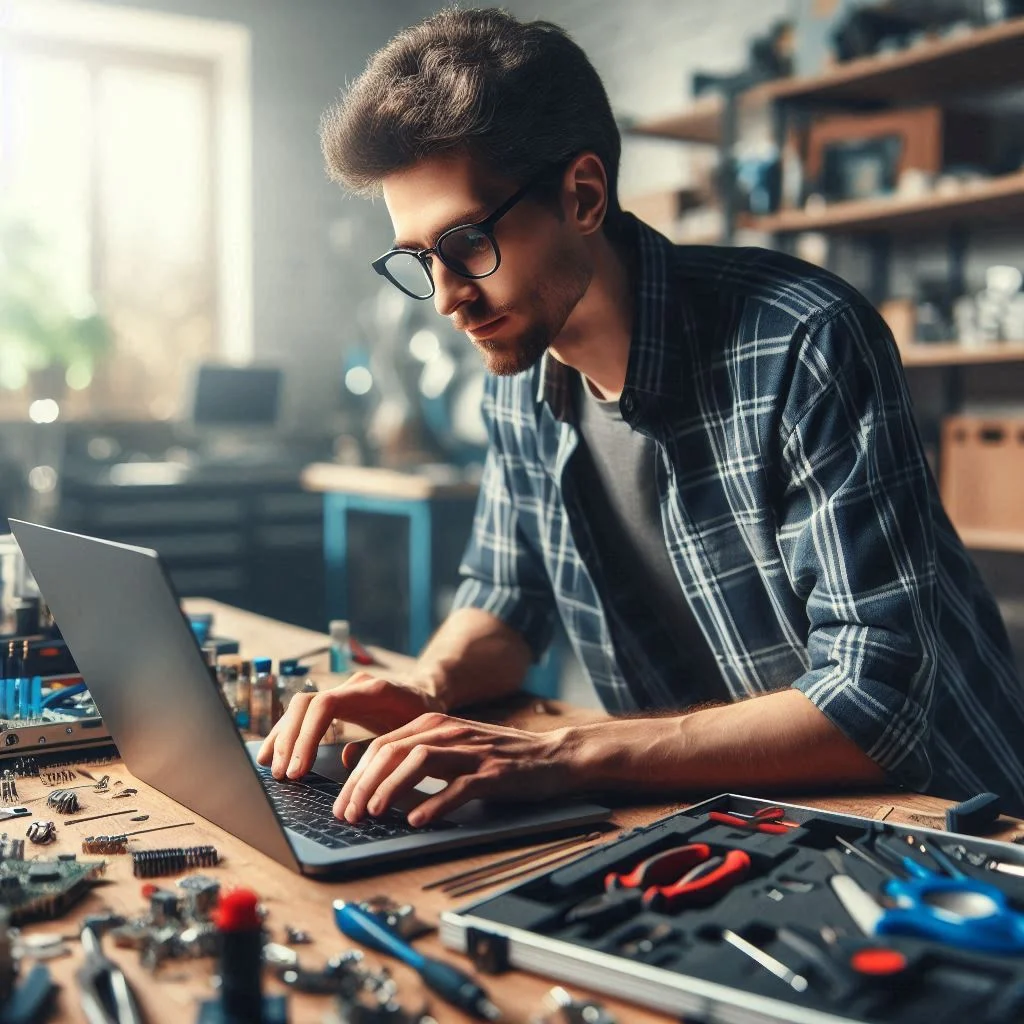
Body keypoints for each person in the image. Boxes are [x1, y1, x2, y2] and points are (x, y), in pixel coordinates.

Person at [258, 7, 1024, 824]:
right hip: (730, 819)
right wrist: (426, 684)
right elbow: (505, 600)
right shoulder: (517, 374)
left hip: (947, 832)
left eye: (466, 243)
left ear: (583, 195)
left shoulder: (802, 341)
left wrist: (563, 755)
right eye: (418, 260)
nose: (446, 298)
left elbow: (876, 704)